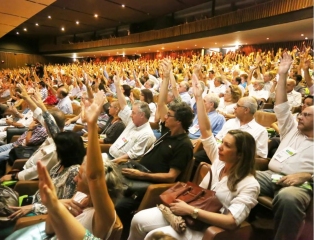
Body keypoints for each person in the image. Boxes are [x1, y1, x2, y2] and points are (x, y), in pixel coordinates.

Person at [128, 64, 260, 240]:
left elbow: (231, 221)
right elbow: (206, 132)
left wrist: (192, 210)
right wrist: (199, 98)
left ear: (241, 154)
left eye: (227, 146)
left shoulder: (250, 184)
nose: (220, 147)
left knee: (154, 235)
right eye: (222, 143)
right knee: (138, 219)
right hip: (190, 208)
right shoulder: (219, 161)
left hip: (205, 224)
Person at [7, 90, 124, 240]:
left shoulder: (103, 217)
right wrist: (55, 205)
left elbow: (95, 176)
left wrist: (92, 125)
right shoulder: (81, 197)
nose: (75, 179)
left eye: (80, 176)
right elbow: (50, 229)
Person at [115, 58, 194, 238]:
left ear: (179, 121)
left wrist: (142, 175)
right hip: (140, 174)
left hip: (151, 184)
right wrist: (166, 78)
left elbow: (171, 176)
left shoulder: (184, 144)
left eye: (169, 116)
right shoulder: (169, 131)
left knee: (118, 204)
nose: (164, 117)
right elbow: (160, 104)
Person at [0, 131, 86, 240]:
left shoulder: (74, 172)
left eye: (57, 147)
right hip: (31, 201)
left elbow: (65, 207)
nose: (55, 150)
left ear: (64, 150)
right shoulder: (60, 164)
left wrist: (32, 207)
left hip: (39, 214)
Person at [256, 52, 313, 240]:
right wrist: (282, 75)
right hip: (272, 176)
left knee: (288, 198)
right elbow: (281, 105)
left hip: (301, 184)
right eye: (301, 113)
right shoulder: (292, 129)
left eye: (306, 115)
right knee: (238, 175)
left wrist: (308, 176)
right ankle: (239, 227)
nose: (300, 116)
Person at [108, 75, 156, 161]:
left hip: (118, 164)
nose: (130, 115)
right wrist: (117, 86)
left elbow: (131, 156)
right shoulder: (133, 120)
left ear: (141, 115)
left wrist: (109, 163)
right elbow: (123, 106)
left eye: (133, 113)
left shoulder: (147, 134)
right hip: (109, 154)